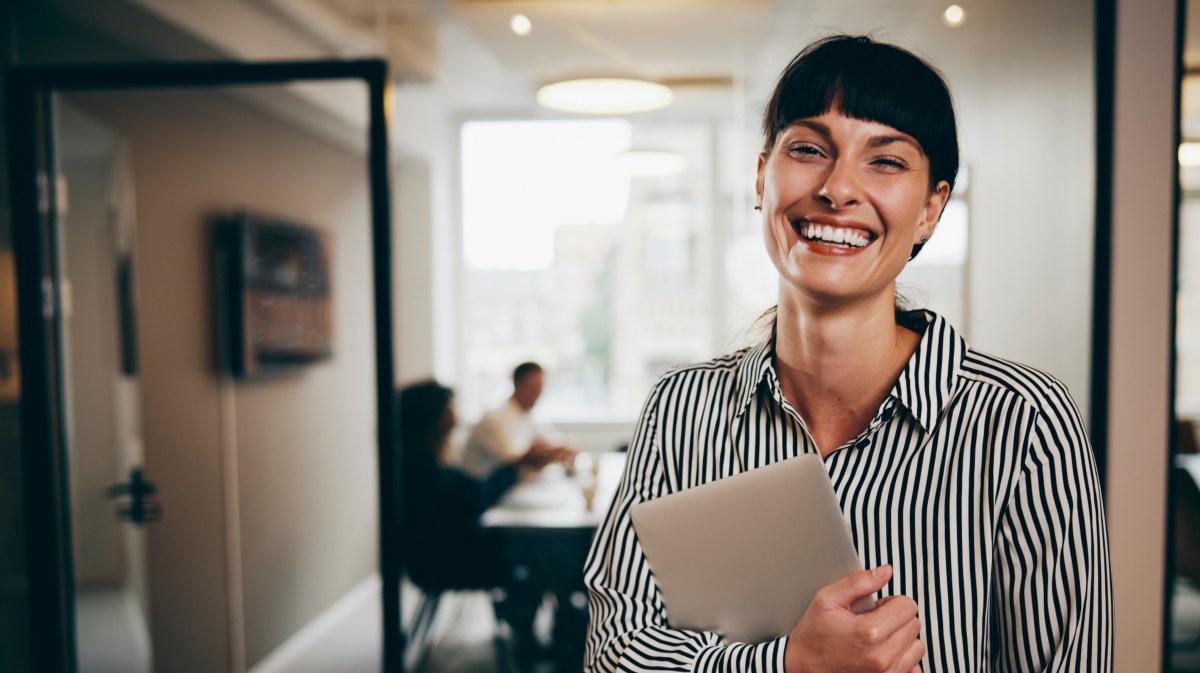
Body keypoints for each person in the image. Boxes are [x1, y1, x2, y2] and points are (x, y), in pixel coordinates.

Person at [582, 35, 1112, 673]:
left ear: (931, 211)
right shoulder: (681, 409)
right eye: (807, 149)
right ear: (760, 177)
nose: (837, 189)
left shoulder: (1022, 421)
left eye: (885, 161)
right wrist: (787, 664)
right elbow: (615, 655)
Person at [398, 379, 569, 590]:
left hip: (447, 553)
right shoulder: (425, 471)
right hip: (450, 561)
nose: (456, 417)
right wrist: (518, 465)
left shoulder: (420, 464)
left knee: (541, 549)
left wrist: (519, 466)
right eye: (450, 409)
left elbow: (471, 494)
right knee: (541, 550)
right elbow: (472, 500)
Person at [463, 361, 572, 478]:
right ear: (517, 384)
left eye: (540, 387)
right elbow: (515, 461)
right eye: (533, 387)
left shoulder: (527, 415)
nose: (537, 394)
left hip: (508, 487)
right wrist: (549, 454)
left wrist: (564, 448)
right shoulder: (495, 420)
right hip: (485, 491)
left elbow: (550, 439)